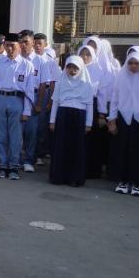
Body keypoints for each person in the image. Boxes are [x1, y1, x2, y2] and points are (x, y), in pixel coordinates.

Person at [0, 33, 36, 180]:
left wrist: (27, 110)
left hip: (17, 100)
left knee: (15, 137)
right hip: (1, 99)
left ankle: (13, 166)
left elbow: (29, 90)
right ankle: (2, 165)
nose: (9, 48)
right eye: (6, 45)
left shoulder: (27, 65)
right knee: (1, 135)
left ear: (19, 45)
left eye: (12, 45)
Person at [107, 46, 139, 197]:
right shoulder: (121, 75)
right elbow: (115, 99)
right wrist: (111, 120)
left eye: (136, 63)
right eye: (131, 63)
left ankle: (137, 184)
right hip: (123, 118)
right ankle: (123, 181)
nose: (133, 66)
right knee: (122, 150)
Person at [49, 55, 94, 187]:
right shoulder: (61, 82)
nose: (72, 71)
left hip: (79, 116)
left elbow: (90, 104)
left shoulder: (86, 84)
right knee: (61, 145)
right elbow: (55, 102)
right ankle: (59, 176)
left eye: (75, 68)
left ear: (80, 69)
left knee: (76, 147)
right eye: (69, 67)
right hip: (63, 115)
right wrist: (52, 121)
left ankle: (74, 178)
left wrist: (88, 123)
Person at [77, 39, 112, 178]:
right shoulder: (74, 68)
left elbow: (102, 94)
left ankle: (91, 170)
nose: (85, 57)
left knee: (92, 140)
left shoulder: (100, 70)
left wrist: (102, 114)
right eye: (82, 53)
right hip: (76, 107)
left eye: (88, 54)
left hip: (93, 107)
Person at [18, 30, 43, 173]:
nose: (23, 45)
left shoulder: (41, 61)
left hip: (33, 97)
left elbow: (42, 85)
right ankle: (17, 159)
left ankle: (28, 159)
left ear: (33, 42)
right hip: (17, 96)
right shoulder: (16, 58)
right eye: (21, 41)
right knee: (17, 130)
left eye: (26, 41)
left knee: (31, 131)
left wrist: (39, 104)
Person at [34, 32, 58, 165]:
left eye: (40, 44)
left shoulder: (50, 60)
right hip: (31, 92)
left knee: (41, 125)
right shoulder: (28, 58)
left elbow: (53, 82)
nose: (37, 46)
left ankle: (39, 153)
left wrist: (51, 100)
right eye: (35, 43)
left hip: (46, 93)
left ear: (45, 45)